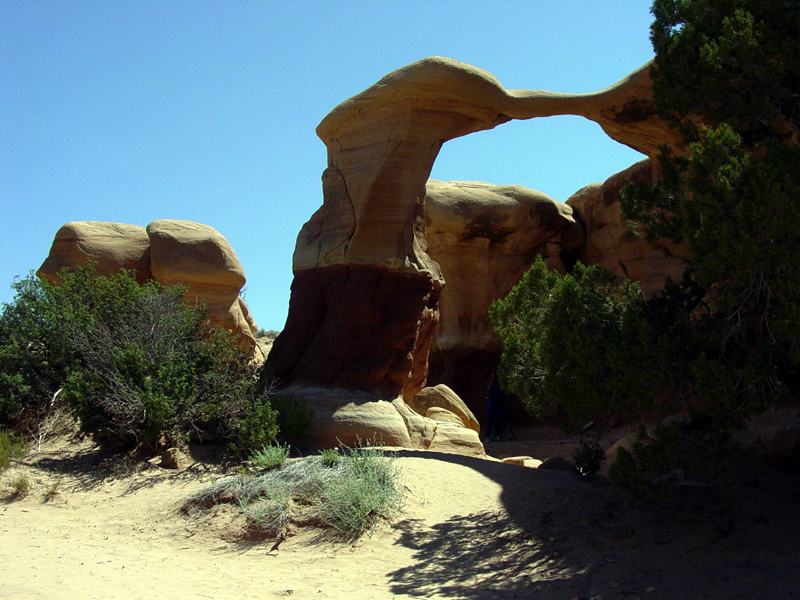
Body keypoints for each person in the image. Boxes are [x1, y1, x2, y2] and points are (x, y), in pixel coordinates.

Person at [484, 370, 506, 443]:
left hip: (499, 402)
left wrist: (500, 380)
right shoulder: (490, 382)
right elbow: (488, 388)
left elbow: (503, 389)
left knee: (498, 420)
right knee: (489, 419)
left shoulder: (499, 383)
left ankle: (497, 436)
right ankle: (487, 436)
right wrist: (492, 379)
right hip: (491, 401)